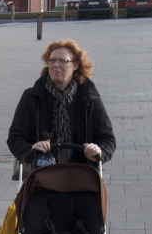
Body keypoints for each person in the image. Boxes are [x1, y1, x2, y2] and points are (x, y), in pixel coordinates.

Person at [7, 39, 116, 169]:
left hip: (82, 172)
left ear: (75, 65)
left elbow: (108, 139)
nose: (56, 65)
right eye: (52, 60)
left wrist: (98, 152)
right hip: (42, 172)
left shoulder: (89, 97)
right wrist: (31, 149)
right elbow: (15, 138)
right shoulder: (32, 97)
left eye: (63, 61)